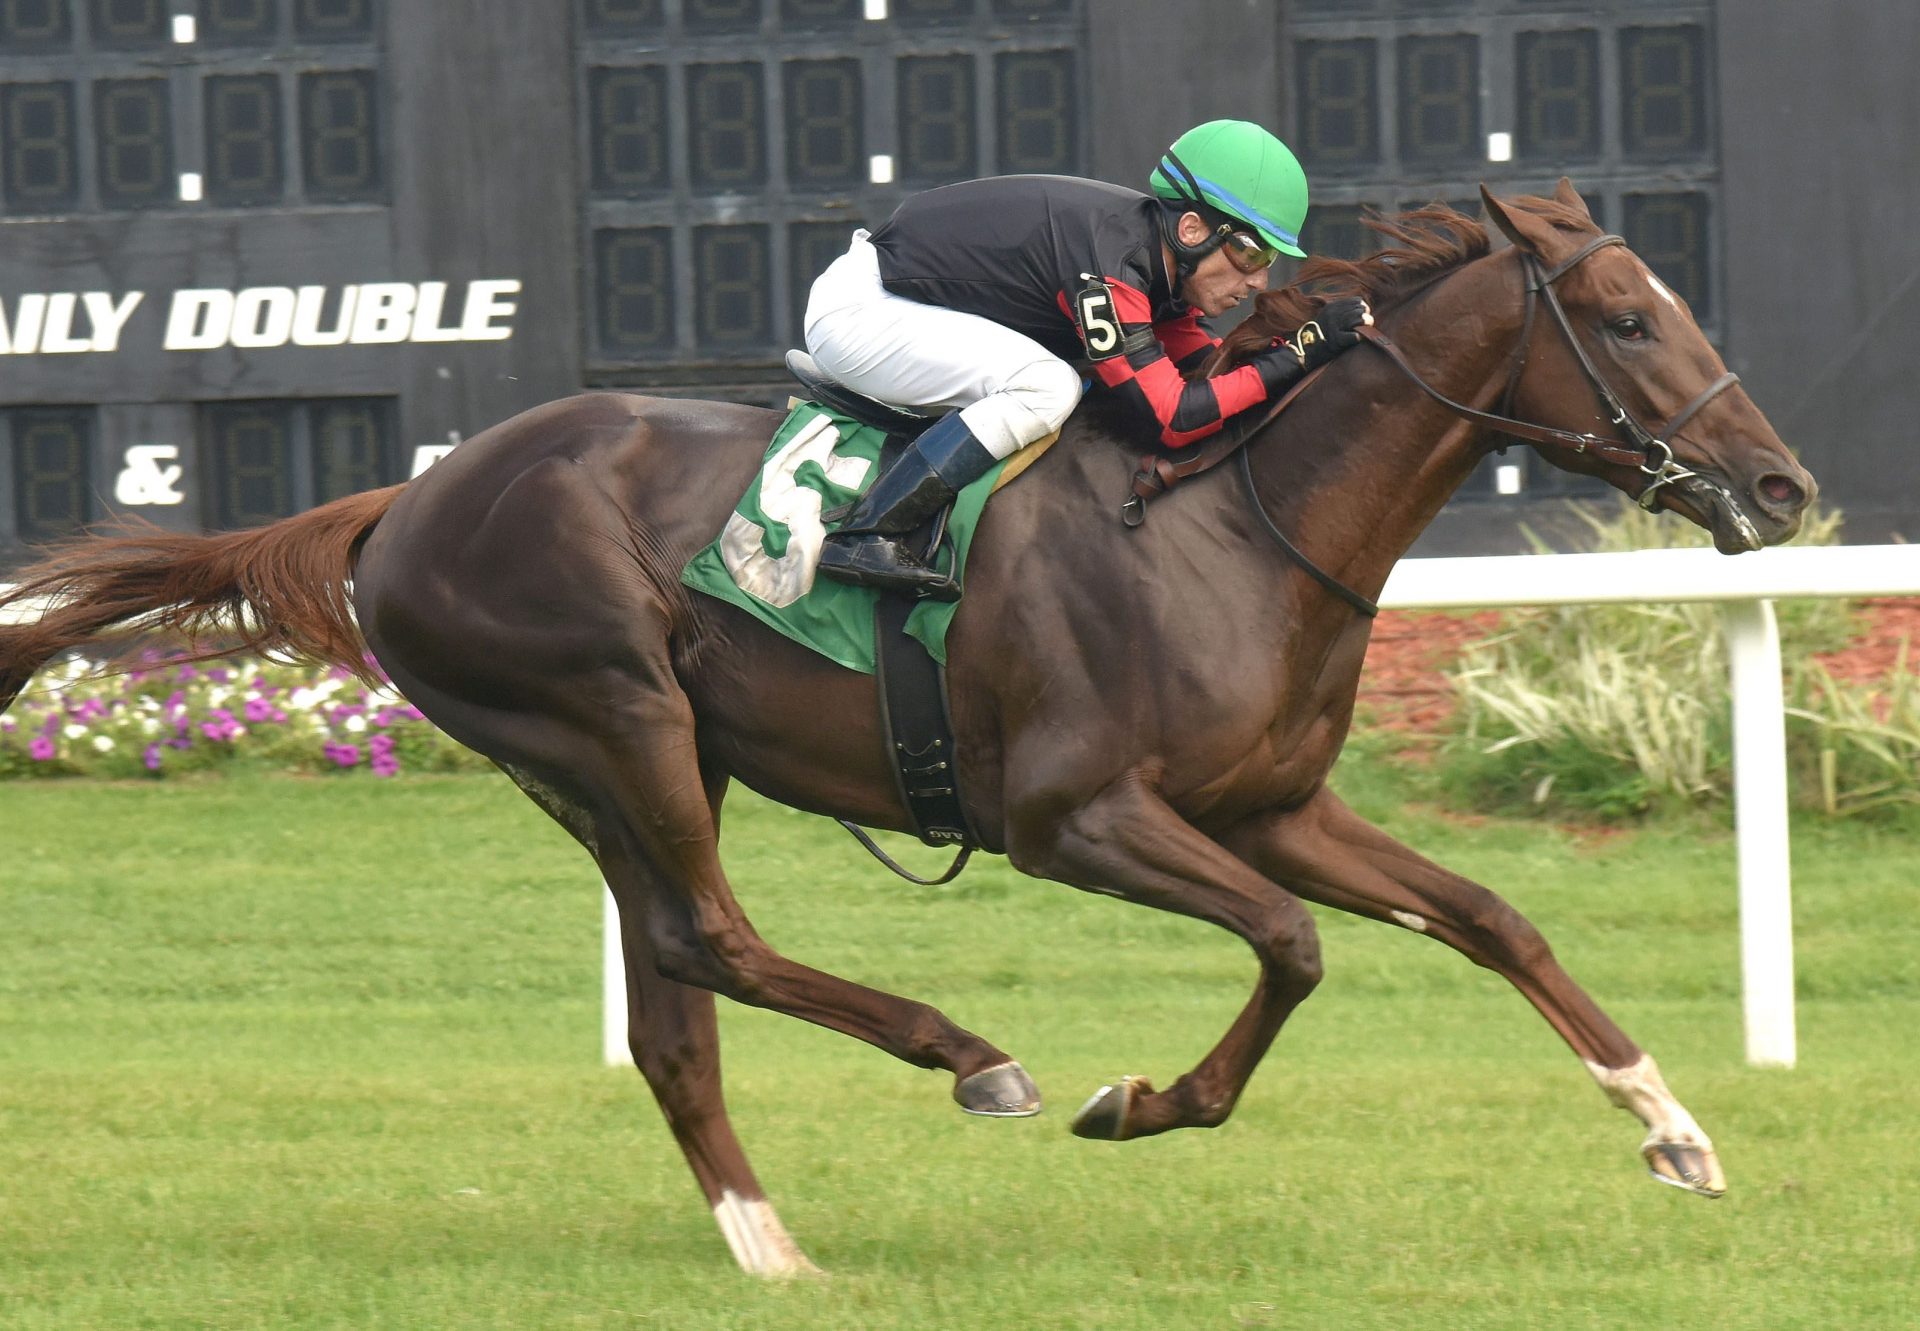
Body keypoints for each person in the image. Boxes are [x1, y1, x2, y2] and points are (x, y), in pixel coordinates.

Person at [802, 118, 1373, 600]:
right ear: (1193, 227)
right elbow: (1174, 418)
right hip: (863, 311)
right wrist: (1298, 353)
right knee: (1049, 387)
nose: (1257, 279)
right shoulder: (1108, 267)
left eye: (1270, 258)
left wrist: (1294, 350)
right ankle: (868, 533)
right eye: (1250, 251)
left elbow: (1211, 368)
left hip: (907, 302)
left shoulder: (1156, 262)